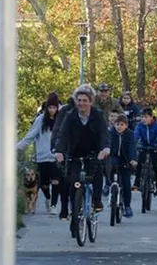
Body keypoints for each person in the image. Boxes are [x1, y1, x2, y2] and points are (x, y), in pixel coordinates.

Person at [55, 85, 110, 221]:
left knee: (97, 173)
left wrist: (105, 148)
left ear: (90, 101)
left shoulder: (97, 115)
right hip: (75, 152)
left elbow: (104, 133)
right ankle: (74, 212)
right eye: (79, 100)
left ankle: (96, 200)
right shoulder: (70, 116)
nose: (81, 103)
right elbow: (63, 135)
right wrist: (59, 151)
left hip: (94, 151)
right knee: (73, 181)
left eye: (85, 100)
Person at [16, 93, 63, 216]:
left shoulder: (62, 120)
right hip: (42, 156)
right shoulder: (40, 120)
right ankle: (48, 198)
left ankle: (53, 205)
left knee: (56, 181)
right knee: (44, 184)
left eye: (54, 108)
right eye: (50, 108)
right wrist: (16, 147)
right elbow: (30, 137)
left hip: (57, 156)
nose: (52, 110)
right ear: (47, 108)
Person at [133, 107, 157, 198]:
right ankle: (137, 182)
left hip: (155, 146)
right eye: (142, 117)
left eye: (146, 117)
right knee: (139, 163)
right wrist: (132, 145)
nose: (143, 119)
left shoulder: (156, 126)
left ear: (151, 117)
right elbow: (135, 136)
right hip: (143, 146)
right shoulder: (140, 126)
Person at [108, 114, 138, 217]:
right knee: (109, 171)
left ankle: (127, 206)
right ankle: (108, 186)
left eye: (122, 124)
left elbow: (132, 147)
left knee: (126, 184)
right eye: (117, 124)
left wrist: (133, 159)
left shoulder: (130, 134)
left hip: (125, 160)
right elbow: (106, 145)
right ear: (114, 124)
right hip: (112, 158)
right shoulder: (110, 133)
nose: (119, 126)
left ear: (126, 125)